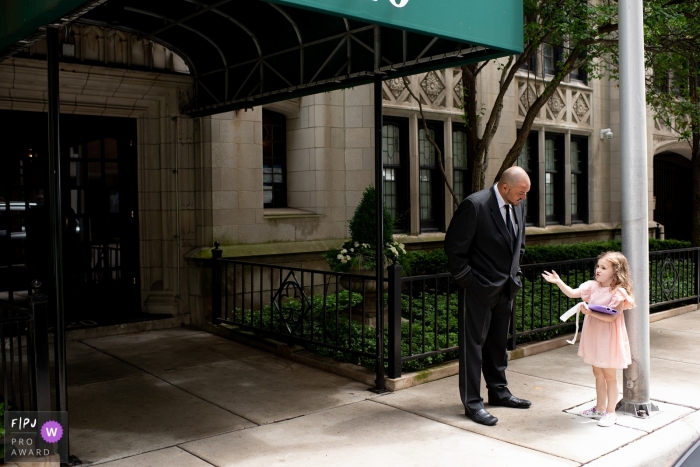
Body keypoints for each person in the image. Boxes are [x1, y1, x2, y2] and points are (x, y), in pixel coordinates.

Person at [444, 166, 532, 426]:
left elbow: (519, 242)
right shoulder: (475, 205)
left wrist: (515, 274)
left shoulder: (517, 204)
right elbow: (454, 249)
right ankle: (473, 403)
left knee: (497, 346)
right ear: (504, 187)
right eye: (520, 192)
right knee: (473, 348)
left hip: (506, 289)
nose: (523, 197)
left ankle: (499, 392)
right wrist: (470, 283)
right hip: (479, 291)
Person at [541, 251, 635, 428]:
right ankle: (600, 407)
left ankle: (611, 412)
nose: (598, 270)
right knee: (597, 372)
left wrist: (590, 312)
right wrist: (559, 281)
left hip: (609, 337)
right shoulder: (592, 286)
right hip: (594, 335)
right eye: (598, 266)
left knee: (609, 375)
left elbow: (612, 317)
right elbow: (572, 293)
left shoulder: (618, 292)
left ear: (616, 271)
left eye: (603, 267)